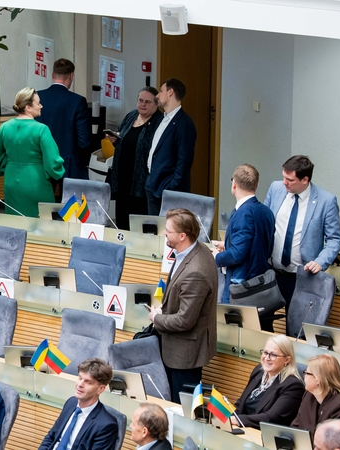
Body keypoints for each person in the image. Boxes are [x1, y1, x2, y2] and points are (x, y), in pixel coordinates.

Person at [148, 208, 217, 402]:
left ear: (182, 236)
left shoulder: (196, 271)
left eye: (168, 231)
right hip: (181, 348)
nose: (164, 233)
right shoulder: (195, 250)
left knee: (181, 407)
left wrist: (156, 318)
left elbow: (185, 320)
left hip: (183, 355)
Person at [265, 155, 340, 311]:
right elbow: (263, 223)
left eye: (290, 180)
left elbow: (334, 239)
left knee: (295, 324)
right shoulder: (276, 188)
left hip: (301, 278)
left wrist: (320, 262)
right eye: (284, 177)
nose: (284, 182)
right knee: (263, 321)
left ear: (305, 180)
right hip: (270, 272)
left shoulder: (326, 201)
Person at [0, 87, 65, 217]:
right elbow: (53, 161)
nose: (41, 106)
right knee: (41, 222)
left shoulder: (5, 127)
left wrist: (8, 165)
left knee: (15, 221)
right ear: (28, 107)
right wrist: (58, 173)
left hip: (11, 181)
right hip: (36, 182)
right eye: (38, 103)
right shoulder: (41, 129)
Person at [212, 164, 275, 304]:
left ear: (234, 184)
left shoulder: (243, 213)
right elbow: (263, 246)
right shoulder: (267, 211)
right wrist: (226, 245)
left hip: (241, 288)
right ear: (257, 185)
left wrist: (217, 256)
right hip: (261, 285)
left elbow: (237, 254)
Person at [107, 87, 163, 228]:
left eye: (147, 102)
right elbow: (122, 138)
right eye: (140, 100)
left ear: (156, 104)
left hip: (141, 182)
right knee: (122, 222)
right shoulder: (131, 116)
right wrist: (115, 140)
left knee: (138, 225)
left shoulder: (159, 122)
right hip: (122, 179)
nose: (143, 104)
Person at [38, 358, 118, 450]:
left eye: (88, 382)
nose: (80, 384)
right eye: (80, 378)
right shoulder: (71, 403)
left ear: (100, 389)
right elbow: (51, 437)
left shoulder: (106, 425)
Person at [145, 78, 197, 215]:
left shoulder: (184, 124)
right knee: (154, 225)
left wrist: (172, 187)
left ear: (170, 92)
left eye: (161, 91)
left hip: (168, 188)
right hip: (153, 182)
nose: (157, 95)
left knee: (168, 226)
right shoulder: (162, 119)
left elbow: (184, 160)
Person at [35, 58, 92, 181]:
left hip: (42, 162)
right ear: (71, 76)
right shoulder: (78, 101)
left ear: (52, 74)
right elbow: (84, 140)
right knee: (71, 195)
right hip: (70, 164)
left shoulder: (37, 97)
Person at [232, 335, 304, 429]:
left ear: (287, 360)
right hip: (243, 429)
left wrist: (238, 420)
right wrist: (226, 418)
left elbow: (272, 418)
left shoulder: (293, 386)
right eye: (265, 352)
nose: (266, 358)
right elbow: (240, 404)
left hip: (263, 434)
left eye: (273, 355)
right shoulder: (259, 371)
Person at [291, 354, 340, 443]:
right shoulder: (309, 395)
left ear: (318, 379)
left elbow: (333, 444)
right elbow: (295, 428)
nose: (304, 376)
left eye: (307, 373)